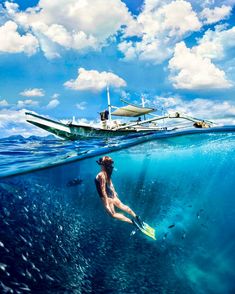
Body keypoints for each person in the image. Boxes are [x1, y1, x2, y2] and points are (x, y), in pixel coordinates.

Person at [95, 156, 143, 228]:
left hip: (106, 198)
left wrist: (106, 202)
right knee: (123, 206)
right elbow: (110, 183)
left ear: (102, 165)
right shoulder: (107, 173)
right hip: (112, 195)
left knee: (113, 214)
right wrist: (114, 192)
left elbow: (103, 190)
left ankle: (132, 223)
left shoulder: (101, 174)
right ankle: (137, 217)